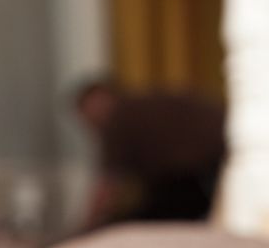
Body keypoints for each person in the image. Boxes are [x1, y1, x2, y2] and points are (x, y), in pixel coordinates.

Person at [73, 76, 227, 229]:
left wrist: (86, 227)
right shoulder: (140, 105)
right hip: (219, 154)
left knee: (146, 221)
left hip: (204, 166)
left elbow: (108, 186)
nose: (88, 121)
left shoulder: (117, 118)